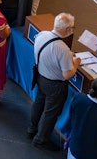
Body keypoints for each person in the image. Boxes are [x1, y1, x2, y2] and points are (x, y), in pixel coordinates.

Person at [28, 12, 82, 151]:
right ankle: (41, 139)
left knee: (39, 103)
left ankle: (32, 128)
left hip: (41, 76)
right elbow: (67, 74)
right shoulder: (62, 49)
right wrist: (75, 63)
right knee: (50, 113)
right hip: (55, 85)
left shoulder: (42, 35)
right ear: (67, 30)